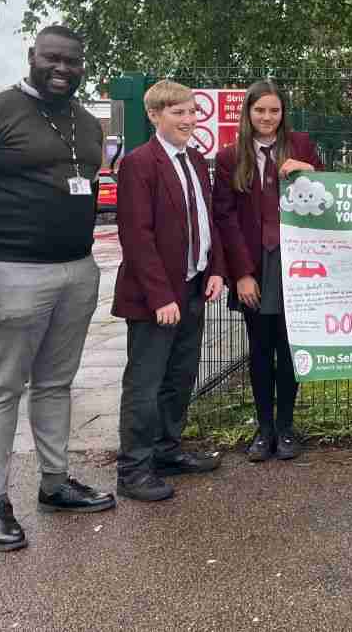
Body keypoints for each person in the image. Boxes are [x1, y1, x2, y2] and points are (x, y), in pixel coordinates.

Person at [0, 25, 115, 552]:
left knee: (58, 384)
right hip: (9, 273)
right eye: (52, 58)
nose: (63, 68)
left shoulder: (85, 121)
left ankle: (55, 482)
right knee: (0, 389)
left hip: (76, 271)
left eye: (73, 61)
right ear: (31, 56)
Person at [112, 81, 227, 501]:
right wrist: (161, 296)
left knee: (180, 377)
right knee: (145, 383)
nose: (189, 120)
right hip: (154, 297)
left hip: (194, 286)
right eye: (178, 113)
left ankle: (166, 451)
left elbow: (205, 219)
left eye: (193, 111)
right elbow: (136, 236)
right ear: (155, 116)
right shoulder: (140, 164)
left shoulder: (195, 159)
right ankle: (133, 469)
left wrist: (215, 269)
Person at [213, 81, 319, 461]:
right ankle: (264, 430)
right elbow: (224, 219)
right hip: (254, 264)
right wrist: (240, 273)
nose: (267, 118)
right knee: (259, 348)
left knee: (289, 348)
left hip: (294, 261)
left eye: (274, 111)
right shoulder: (229, 158)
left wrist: (309, 170)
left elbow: (327, 194)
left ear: (283, 113)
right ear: (248, 113)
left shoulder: (302, 145)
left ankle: (287, 428)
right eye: (260, 111)